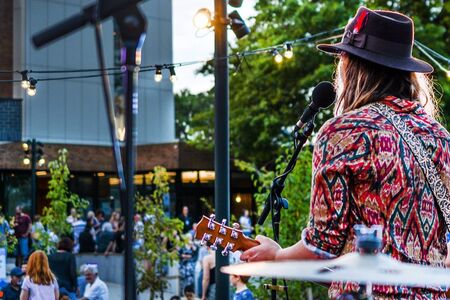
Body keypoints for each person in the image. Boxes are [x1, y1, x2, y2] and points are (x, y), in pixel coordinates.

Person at [241, 6, 450, 299]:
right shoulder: (441, 138)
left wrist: (278, 256)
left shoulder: (344, 133)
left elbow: (321, 246)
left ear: (352, 67)